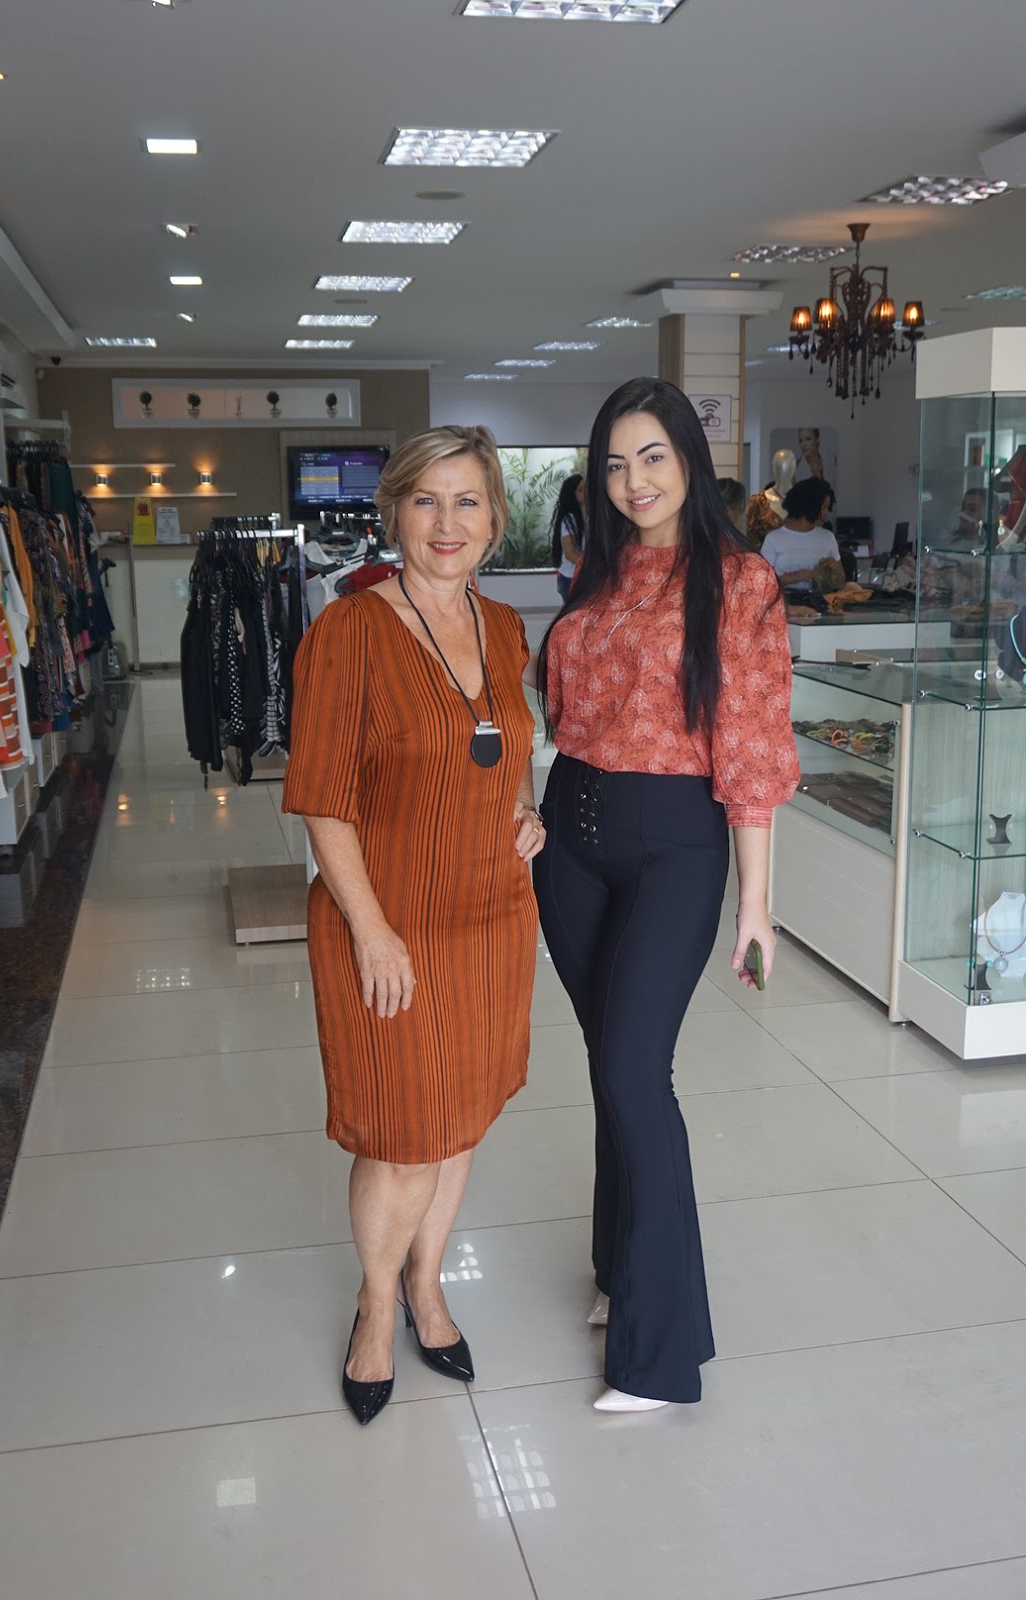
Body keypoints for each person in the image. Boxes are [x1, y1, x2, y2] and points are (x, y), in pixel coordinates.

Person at [533, 378, 799, 1413]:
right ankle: (618, 1270)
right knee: (608, 1063)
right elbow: (559, 711)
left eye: (651, 456)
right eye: (613, 463)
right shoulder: (595, 571)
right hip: (570, 836)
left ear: (689, 457)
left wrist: (754, 902)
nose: (632, 481)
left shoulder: (738, 582)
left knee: (637, 1073)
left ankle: (660, 1353)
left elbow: (751, 746)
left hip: (673, 844)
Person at [282, 425, 545, 1427]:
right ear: (392, 511)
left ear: (495, 518)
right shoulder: (347, 633)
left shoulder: (503, 626)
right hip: (387, 920)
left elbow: (504, 746)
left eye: (467, 500)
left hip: (490, 913)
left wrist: (523, 810)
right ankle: (375, 1304)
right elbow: (322, 799)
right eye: (425, 499)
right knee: (401, 1135)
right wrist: (372, 930)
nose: (447, 522)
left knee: (460, 1116)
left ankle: (427, 1285)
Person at [760, 478, 844, 589]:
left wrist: (836, 568)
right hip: (785, 599)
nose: (827, 512)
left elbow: (841, 582)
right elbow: (762, 582)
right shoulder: (773, 539)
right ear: (810, 507)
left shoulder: (828, 537)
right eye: (824, 508)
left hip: (820, 599)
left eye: (828, 508)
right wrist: (797, 577)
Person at [551, 471, 586, 602]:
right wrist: (592, 565)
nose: (585, 493)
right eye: (580, 490)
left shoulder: (583, 516)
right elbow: (569, 554)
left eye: (586, 489)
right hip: (571, 578)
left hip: (578, 577)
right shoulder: (569, 520)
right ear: (572, 494)